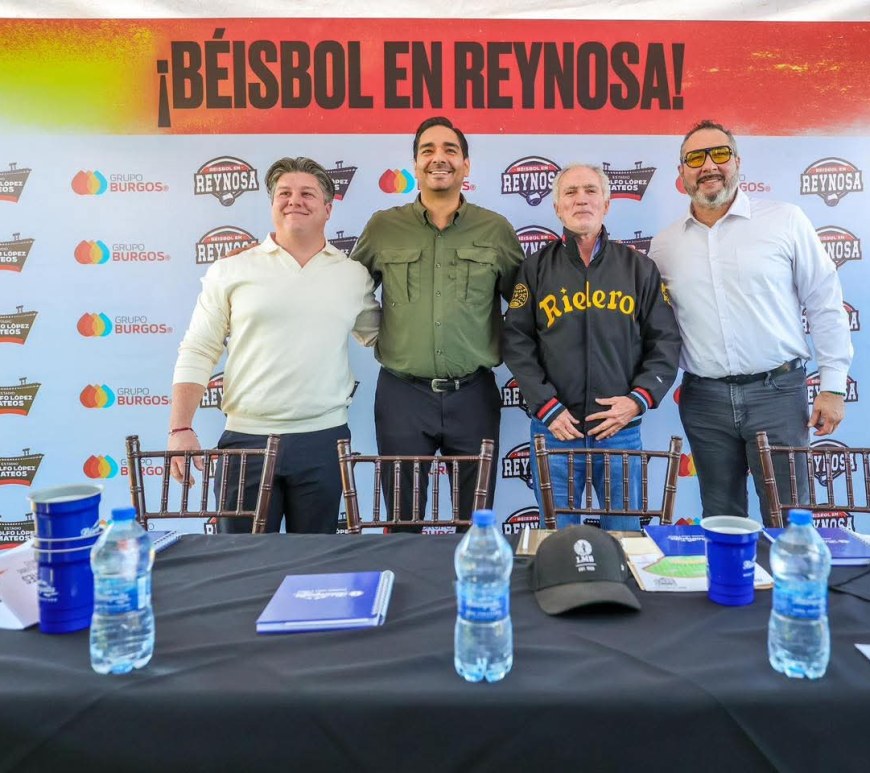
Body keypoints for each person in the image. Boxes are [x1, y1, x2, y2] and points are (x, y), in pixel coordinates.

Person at [648, 119, 853, 521]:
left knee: (789, 515)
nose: (709, 165)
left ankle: (788, 568)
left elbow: (824, 302)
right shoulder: (664, 245)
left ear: (738, 162)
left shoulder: (785, 220)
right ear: (682, 172)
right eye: (696, 158)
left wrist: (833, 386)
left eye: (720, 154)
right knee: (721, 517)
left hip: (778, 393)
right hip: (704, 400)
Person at [168, 156, 380, 533]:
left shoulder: (353, 276)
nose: (294, 200)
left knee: (315, 563)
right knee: (242, 562)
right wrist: (180, 427)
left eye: (307, 194)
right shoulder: (231, 269)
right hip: (246, 441)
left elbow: (383, 336)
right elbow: (199, 348)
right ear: (272, 205)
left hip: (324, 441)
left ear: (328, 209)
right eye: (284, 193)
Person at [352, 116, 524, 527]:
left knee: (476, 523)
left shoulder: (495, 229)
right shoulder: (384, 227)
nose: (438, 158)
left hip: (474, 396)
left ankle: (472, 573)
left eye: (450, 150)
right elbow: (347, 289)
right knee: (403, 521)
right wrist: (373, 335)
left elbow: (524, 304)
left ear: (466, 165)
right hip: (402, 397)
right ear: (415, 164)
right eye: (427, 150)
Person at [503, 163, 681, 531]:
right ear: (557, 208)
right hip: (555, 429)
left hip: (619, 430)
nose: (581, 199)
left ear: (606, 204)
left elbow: (665, 341)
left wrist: (637, 400)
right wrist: (546, 406)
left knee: (625, 536)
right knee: (559, 540)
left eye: (590, 190)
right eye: (570, 192)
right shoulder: (535, 269)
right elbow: (517, 342)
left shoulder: (638, 268)